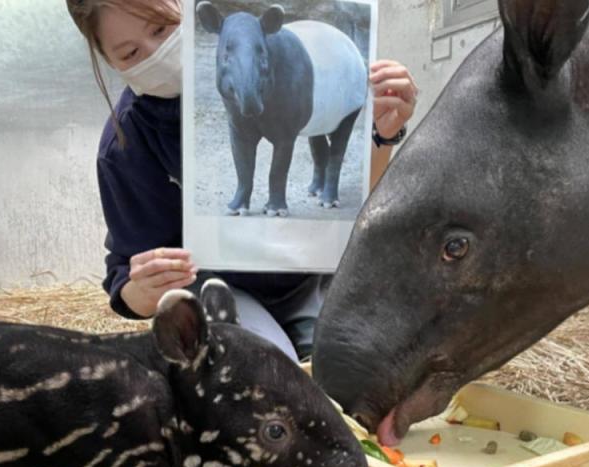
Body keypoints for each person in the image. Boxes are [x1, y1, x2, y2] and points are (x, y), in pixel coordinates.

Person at [67, 0, 418, 360]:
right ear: (109, 62)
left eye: (161, 29)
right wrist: (142, 290)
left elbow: (359, 202)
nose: (157, 54)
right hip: (223, 292)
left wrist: (382, 134)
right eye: (130, 53)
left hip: (309, 280)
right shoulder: (126, 145)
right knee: (271, 372)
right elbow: (125, 273)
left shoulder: (286, 68)